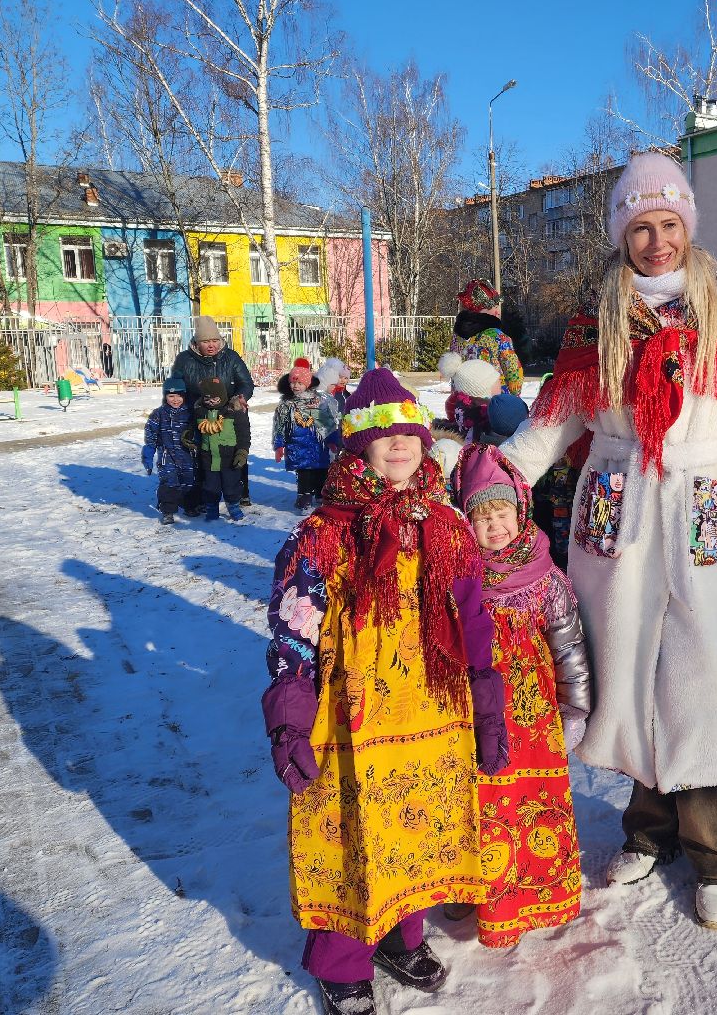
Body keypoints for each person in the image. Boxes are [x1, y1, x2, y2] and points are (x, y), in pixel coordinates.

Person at [499, 150, 717, 931]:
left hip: (701, 505)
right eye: (640, 227)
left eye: (668, 224)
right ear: (621, 235)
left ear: (687, 226)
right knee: (623, 674)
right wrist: (495, 481)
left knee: (695, 684)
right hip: (617, 510)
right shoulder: (595, 319)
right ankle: (647, 831)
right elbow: (554, 422)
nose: (656, 241)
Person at [261, 369, 504, 1015]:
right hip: (350, 723)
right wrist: (289, 717)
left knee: (420, 827)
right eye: (383, 435)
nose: (400, 447)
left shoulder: (446, 528)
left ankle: (404, 935)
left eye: (410, 435)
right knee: (351, 833)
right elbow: (294, 631)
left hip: (432, 716)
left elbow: (473, 618)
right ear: (357, 447)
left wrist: (487, 699)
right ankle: (340, 961)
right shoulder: (324, 534)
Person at [449, 444, 590, 947]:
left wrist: (575, 707)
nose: (495, 527)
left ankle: (539, 887)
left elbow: (568, 642)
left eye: (502, 513)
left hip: (534, 716)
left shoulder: (546, 576)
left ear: (520, 509)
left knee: (534, 799)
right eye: (482, 518)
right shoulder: (459, 578)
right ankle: (478, 887)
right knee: (481, 801)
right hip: (475, 712)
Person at [171, 316, 256, 512]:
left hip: (229, 411)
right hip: (199, 413)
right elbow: (176, 387)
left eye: (215, 341)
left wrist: (239, 398)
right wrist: (182, 410)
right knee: (204, 455)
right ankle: (204, 496)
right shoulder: (185, 360)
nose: (211, 345)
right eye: (206, 342)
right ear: (197, 343)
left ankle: (241, 493)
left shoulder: (231, 357)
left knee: (235, 452)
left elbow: (246, 382)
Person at [273, 357, 341, 511]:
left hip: (318, 445)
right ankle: (304, 498)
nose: (295, 386)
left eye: (299, 383)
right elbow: (280, 426)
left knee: (321, 471)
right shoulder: (287, 404)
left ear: (308, 384)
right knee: (303, 473)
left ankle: (321, 495)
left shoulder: (318, 402)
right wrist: (279, 445)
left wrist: (332, 439)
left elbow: (328, 422)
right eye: (293, 382)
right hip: (297, 446)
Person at [188, 377, 250, 521]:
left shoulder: (233, 411)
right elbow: (194, 430)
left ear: (222, 395)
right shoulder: (200, 411)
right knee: (210, 486)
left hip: (230, 457)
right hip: (208, 457)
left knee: (231, 485)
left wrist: (242, 451)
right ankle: (211, 506)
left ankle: (233, 505)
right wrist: (188, 436)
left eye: (215, 399)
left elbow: (243, 434)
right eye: (207, 398)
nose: (210, 402)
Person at [450, 279, 524, 396]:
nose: (498, 311)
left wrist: (457, 399)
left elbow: (453, 369)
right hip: (495, 402)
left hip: (464, 401)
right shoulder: (499, 337)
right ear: (483, 309)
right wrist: (515, 394)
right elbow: (512, 368)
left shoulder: (457, 337)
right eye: (495, 306)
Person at [141, 376, 194, 525]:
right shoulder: (159, 414)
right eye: (171, 396)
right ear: (165, 396)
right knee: (169, 484)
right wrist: (148, 457)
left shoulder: (190, 413)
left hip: (187, 455)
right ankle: (168, 511)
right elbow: (150, 437)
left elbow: (199, 431)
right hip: (167, 456)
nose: (175, 399)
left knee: (189, 482)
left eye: (179, 396)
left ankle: (190, 505)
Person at [447, 358, 504, 442]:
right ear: (482, 390)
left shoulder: (462, 405)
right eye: (496, 383)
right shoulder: (484, 415)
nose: (500, 385)